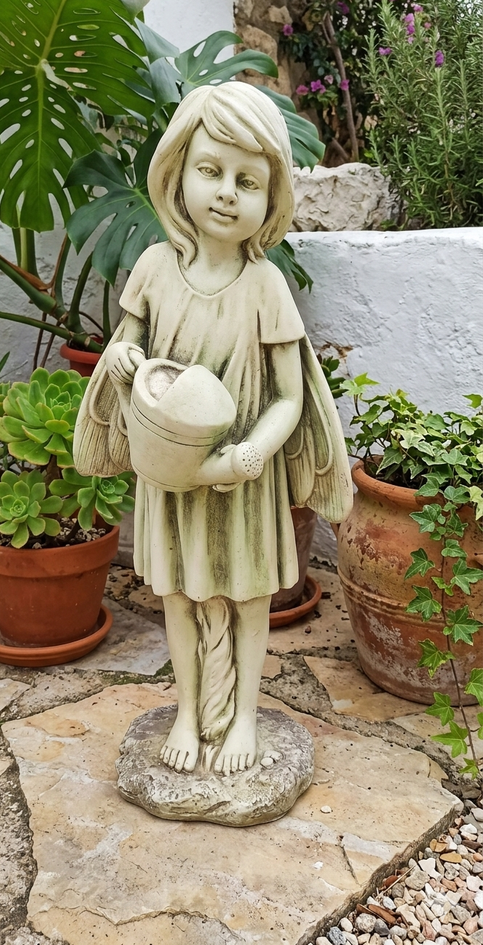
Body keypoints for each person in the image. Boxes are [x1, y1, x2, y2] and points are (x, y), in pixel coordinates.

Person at [74, 82, 352, 778]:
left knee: (248, 597)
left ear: (271, 197)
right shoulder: (154, 269)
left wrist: (255, 448)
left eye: (247, 181)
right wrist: (123, 359)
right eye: (210, 171)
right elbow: (122, 350)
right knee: (177, 592)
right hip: (171, 474)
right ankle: (190, 712)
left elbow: (291, 395)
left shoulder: (264, 285)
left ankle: (244, 717)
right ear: (177, 173)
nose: (226, 193)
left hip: (242, 479)